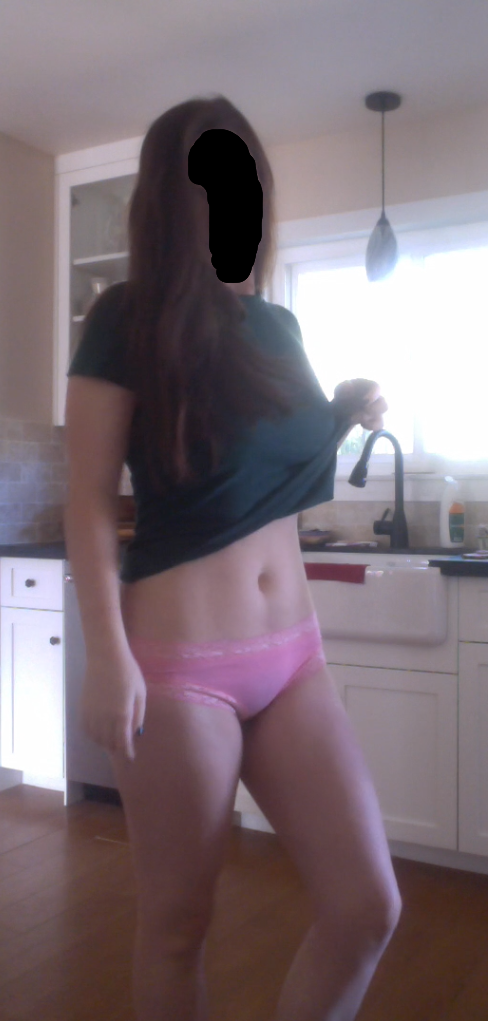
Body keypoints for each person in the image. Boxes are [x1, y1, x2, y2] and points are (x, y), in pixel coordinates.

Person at [64, 94, 402, 1021]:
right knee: (178, 926)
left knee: (367, 906)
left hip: (293, 657)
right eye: (213, 181)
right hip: (177, 672)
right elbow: (88, 498)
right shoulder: (125, 317)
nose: (236, 199)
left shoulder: (278, 327)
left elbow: (272, 471)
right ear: (171, 201)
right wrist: (108, 656)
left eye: (246, 177)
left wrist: (340, 410)